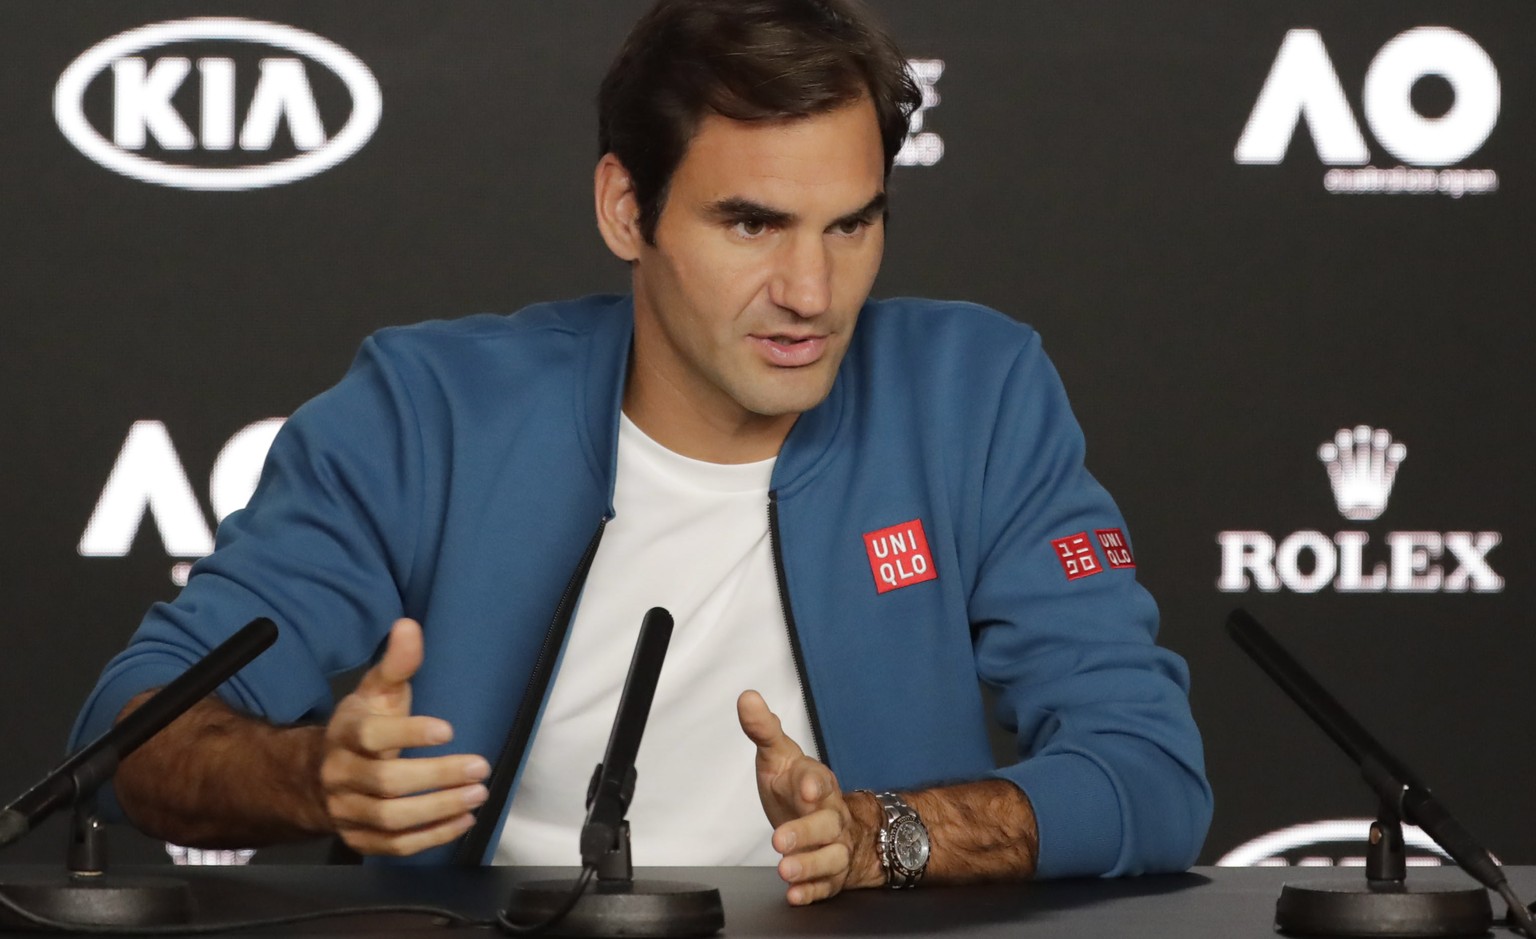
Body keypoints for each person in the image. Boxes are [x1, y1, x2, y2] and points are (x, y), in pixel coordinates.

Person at [70, 0, 1211, 906]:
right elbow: (132, 736)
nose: (810, 294)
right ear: (627, 208)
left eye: (851, 224)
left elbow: (1149, 772)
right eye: (751, 224)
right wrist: (314, 778)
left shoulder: (976, 392)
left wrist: (887, 836)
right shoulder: (430, 409)